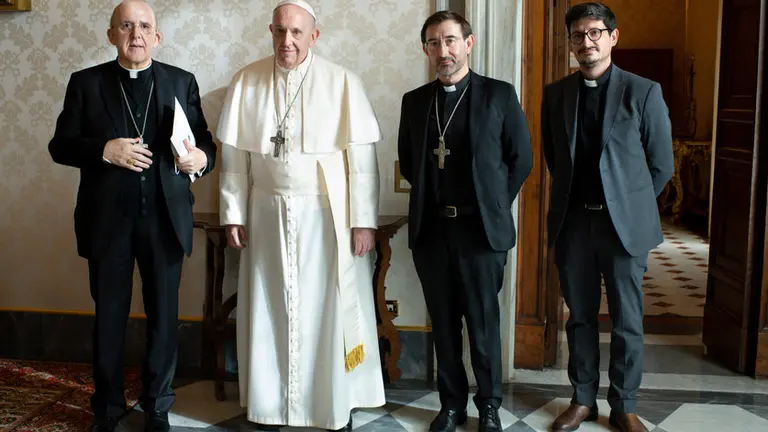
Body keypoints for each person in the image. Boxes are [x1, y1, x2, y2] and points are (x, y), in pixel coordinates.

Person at [47, 1, 216, 431]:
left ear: (156, 37)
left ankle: (157, 404)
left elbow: (205, 147)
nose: (135, 35)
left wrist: (199, 158)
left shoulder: (182, 81)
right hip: (108, 221)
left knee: (164, 317)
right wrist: (104, 150)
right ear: (111, 35)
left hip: (164, 220)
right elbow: (60, 145)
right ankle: (106, 405)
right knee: (109, 316)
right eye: (126, 26)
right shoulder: (85, 83)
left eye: (144, 27)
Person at [216, 1, 385, 430]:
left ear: (315, 34)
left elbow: (362, 162)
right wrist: (232, 213)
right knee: (270, 304)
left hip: (325, 214)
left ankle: (330, 402)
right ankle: (270, 403)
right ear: (270, 31)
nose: (286, 42)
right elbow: (233, 159)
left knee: (325, 307)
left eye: (295, 32)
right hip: (265, 210)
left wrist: (363, 221)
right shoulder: (247, 80)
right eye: (278, 32)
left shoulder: (342, 81)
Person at [397, 10, 533, 432]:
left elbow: (521, 159)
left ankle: (489, 406)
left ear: (468, 43)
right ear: (426, 50)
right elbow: (408, 161)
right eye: (435, 43)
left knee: (483, 323)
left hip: (480, 233)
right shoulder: (415, 102)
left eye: (451, 40)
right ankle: (451, 405)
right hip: (433, 232)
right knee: (444, 324)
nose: (444, 50)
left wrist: (494, 205)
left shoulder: (499, 95)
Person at [541, 3, 674, 432]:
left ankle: (624, 404)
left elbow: (661, 165)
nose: (587, 41)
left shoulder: (644, 91)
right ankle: (582, 400)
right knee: (579, 317)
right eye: (578, 35)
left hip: (623, 229)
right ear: (571, 43)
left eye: (595, 32)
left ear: (613, 37)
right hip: (574, 225)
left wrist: (628, 206)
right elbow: (554, 158)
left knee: (627, 320)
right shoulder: (555, 94)